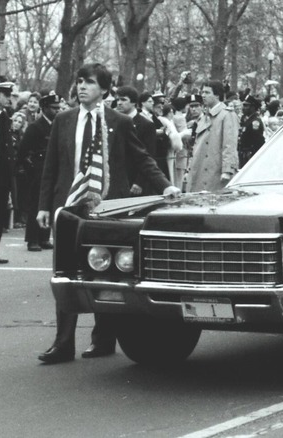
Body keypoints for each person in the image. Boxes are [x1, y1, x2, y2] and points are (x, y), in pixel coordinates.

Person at [36, 63, 180, 364]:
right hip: (69, 205)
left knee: (102, 269)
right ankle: (63, 344)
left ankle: (102, 339)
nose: (81, 87)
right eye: (79, 82)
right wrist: (42, 206)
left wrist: (165, 186)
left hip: (107, 206)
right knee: (65, 272)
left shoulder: (118, 122)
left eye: (88, 82)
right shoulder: (63, 120)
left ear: (104, 89)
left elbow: (142, 159)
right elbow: (50, 167)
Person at [18, 91, 60, 252]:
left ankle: (44, 237)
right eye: (53, 108)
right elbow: (23, 150)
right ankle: (32, 239)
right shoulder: (35, 127)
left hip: (52, 169)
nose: (56, 110)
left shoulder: (57, 125)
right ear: (44, 108)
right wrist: (30, 168)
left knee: (48, 204)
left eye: (57, 107)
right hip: (37, 170)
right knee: (36, 204)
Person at [184, 80, 239, 192]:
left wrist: (227, 170)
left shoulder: (227, 115)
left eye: (207, 92)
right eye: (202, 92)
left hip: (215, 170)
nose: (203, 95)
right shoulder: (204, 116)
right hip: (199, 168)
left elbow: (229, 144)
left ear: (217, 95)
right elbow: (195, 147)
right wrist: (189, 169)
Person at [115, 85, 157, 195]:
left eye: (123, 99)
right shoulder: (114, 123)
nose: (119, 103)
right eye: (118, 99)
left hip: (135, 183)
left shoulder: (146, 125)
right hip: (117, 181)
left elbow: (149, 156)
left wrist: (140, 182)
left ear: (134, 102)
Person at [0, 82, 15, 264]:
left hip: (2, 174)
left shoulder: (4, 116)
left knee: (0, 213)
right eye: (5, 94)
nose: (9, 98)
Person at [238, 95, 265, 167]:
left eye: (246, 106)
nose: (243, 108)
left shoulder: (255, 122)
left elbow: (258, 142)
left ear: (253, 107)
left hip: (250, 156)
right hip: (243, 154)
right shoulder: (246, 119)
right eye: (243, 105)